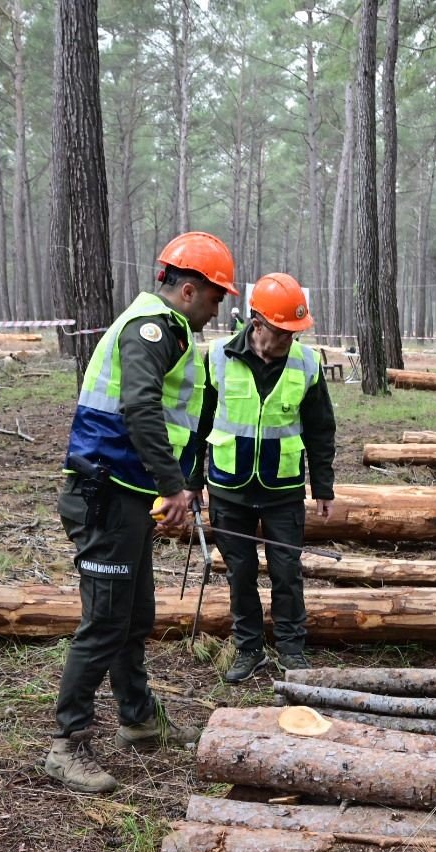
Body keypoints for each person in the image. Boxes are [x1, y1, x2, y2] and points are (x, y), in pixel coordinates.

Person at [46, 231, 238, 793]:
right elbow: (139, 407)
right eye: (215, 295)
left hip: (127, 494)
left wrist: (184, 485)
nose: (218, 305)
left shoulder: (171, 332)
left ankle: (138, 720)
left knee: (135, 616)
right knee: (105, 620)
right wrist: (173, 487)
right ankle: (67, 743)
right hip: (103, 495)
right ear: (187, 290)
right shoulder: (150, 330)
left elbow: (183, 422)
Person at [192, 272, 335, 682]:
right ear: (257, 324)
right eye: (282, 331)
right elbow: (199, 421)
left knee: (286, 571)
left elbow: (321, 429)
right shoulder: (217, 356)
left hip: (283, 489)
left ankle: (291, 649)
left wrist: (323, 485)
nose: (290, 338)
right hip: (228, 488)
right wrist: (190, 480)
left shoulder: (306, 363)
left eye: (295, 331)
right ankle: (248, 648)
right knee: (240, 573)